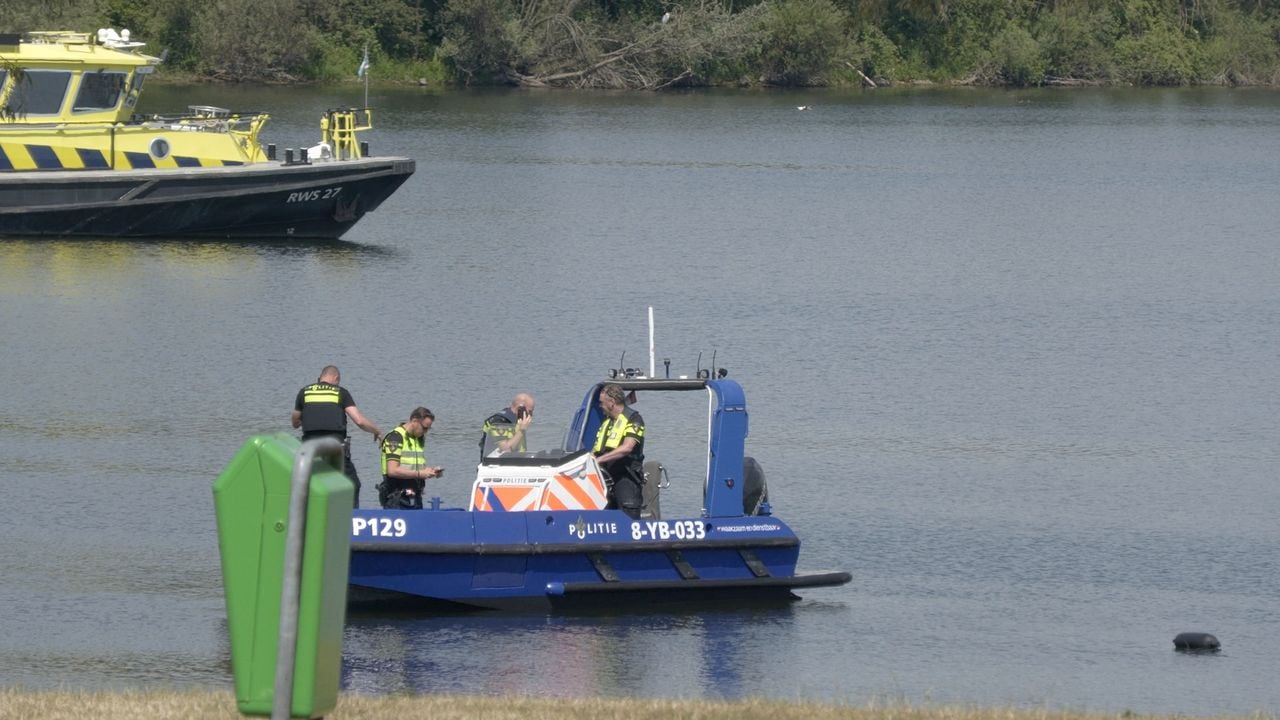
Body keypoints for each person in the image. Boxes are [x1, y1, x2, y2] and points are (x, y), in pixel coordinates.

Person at [292, 365, 381, 508]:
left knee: (312, 486)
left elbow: (295, 422)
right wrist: (376, 431)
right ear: (336, 378)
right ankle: (350, 520)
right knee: (352, 484)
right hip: (334, 450)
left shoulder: (304, 392)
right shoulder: (340, 393)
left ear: (320, 377)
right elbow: (359, 421)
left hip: (310, 451)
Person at [591, 383, 646, 518]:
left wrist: (599, 460)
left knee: (628, 513)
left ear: (611, 402)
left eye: (601, 402)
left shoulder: (634, 419)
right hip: (606, 478)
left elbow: (627, 447)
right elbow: (596, 451)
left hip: (626, 476)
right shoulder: (607, 423)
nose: (600, 406)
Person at [377, 406, 443, 509]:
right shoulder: (396, 437)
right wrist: (419, 474)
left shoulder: (418, 439)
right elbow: (392, 470)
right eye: (424, 428)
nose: (426, 432)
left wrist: (429, 472)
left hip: (414, 496)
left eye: (428, 429)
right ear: (414, 421)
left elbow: (413, 467)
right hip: (397, 497)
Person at [478, 392, 535, 460]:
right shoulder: (498, 421)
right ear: (520, 408)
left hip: (514, 463)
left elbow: (518, 448)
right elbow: (505, 450)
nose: (531, 415)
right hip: (494, 465)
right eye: (530, 412)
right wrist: (521, 430)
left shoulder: (518, 422)